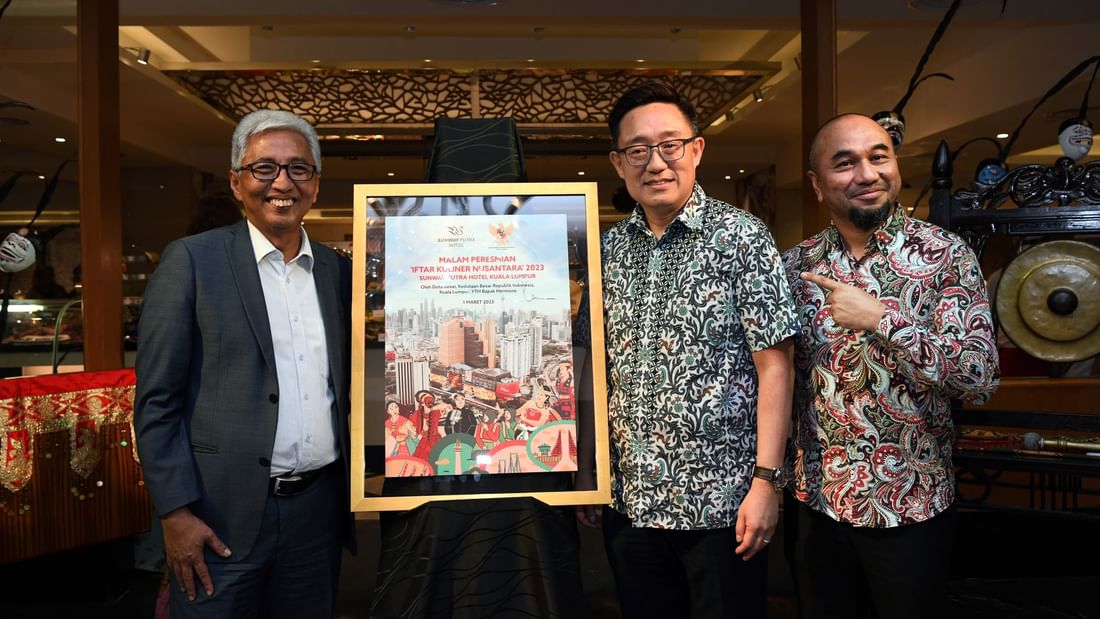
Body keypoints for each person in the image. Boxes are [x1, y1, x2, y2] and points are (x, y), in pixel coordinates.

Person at [575, 82, 798, 619]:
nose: (655, 162)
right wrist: (586, 466)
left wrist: (766, 483)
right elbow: (590, 363)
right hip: (631, 500)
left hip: (722, 505)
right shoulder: (605, 249)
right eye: (638, 149)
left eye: (670, 144)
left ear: (696, 150)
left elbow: (776, 367)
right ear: (618, 162)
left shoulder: (742, 237)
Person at [135, 109, 353, 618]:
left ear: (315, 185)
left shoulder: (335, 273)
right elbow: (157, 401)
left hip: (316, 516)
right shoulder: (191, 262)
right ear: (237, 182)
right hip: (217, 518)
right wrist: (175, 513)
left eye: (298, 169)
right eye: (264, 169)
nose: (282, 182)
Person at [782, 113, 1000, 619]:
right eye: (845, 163)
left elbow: (980, 377)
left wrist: (883, 319)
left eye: (878, 156)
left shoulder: (946, 256)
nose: (867, 173)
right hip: (818, 505)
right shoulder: (796, 267)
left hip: (912, 505)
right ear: (817, 185)